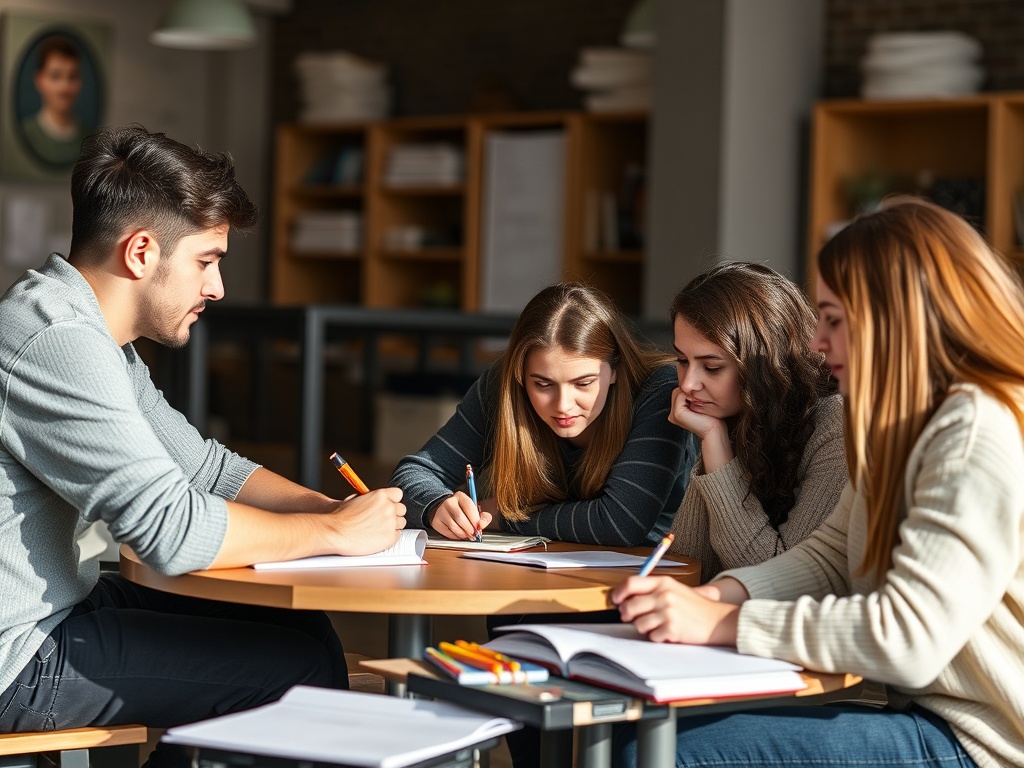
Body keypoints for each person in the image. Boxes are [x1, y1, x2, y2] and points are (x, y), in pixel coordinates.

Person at [0, 125, 406, 768]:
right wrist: (333, 535)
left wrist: (330, 511)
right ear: (140, 252)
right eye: (206, 261)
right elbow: (172, 531)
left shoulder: (96, 336)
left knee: (298, 630)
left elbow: (204, 468)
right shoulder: (57, 342)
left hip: (60, 606)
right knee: (295, 670)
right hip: (18, 654)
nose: (216, 288)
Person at [611, 197, 1024, 768]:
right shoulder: (892, 423)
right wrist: (714, 596)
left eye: (832, 319)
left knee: (654, 753)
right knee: (631, 740)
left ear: (893, 317)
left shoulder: (974, 430)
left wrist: (726, 621)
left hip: (977, 743)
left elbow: (907, 640)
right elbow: (830, 556)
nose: (816, 343)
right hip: (924, 715)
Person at [390, 281, 696, 547]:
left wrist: (504, 515)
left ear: (615, 368)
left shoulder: (660, 390)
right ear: (522, 375)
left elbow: (620, 522)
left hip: (644, 587)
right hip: (527, 575)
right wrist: (436, 505)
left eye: (583, 383)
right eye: (543, 384)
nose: (563, 404)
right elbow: (413, 475)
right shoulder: (504, 385)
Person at [665, 261, 846, 581]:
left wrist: (716, 447)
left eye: (711, 367)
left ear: (765, 365)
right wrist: (712, 441)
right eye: (682, 360)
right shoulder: (731, 411)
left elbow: (779, 579)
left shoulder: (835, 425)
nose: (688, 384)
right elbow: (689, 566)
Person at [20, 35, 90, 167]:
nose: (64, 87)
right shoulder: (26, 134)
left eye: (72, 77)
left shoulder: (90, 140)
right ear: (39, 80)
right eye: (55, 76)